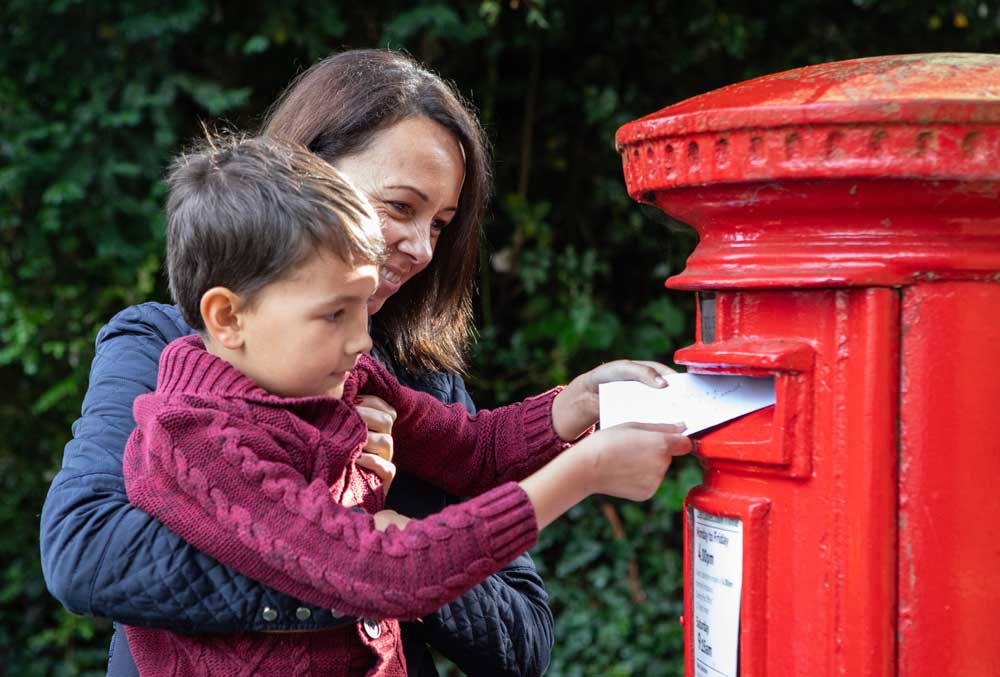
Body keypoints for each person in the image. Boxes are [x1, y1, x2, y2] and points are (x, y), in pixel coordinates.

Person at [38, 49, 689, 676]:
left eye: (441, 223)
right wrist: (353, 552)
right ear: (306, 173)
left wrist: (570, 406)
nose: (423, 249)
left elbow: (517, 620)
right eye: (401, 206)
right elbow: (86, 553)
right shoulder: (179, 390)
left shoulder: (383, 366)